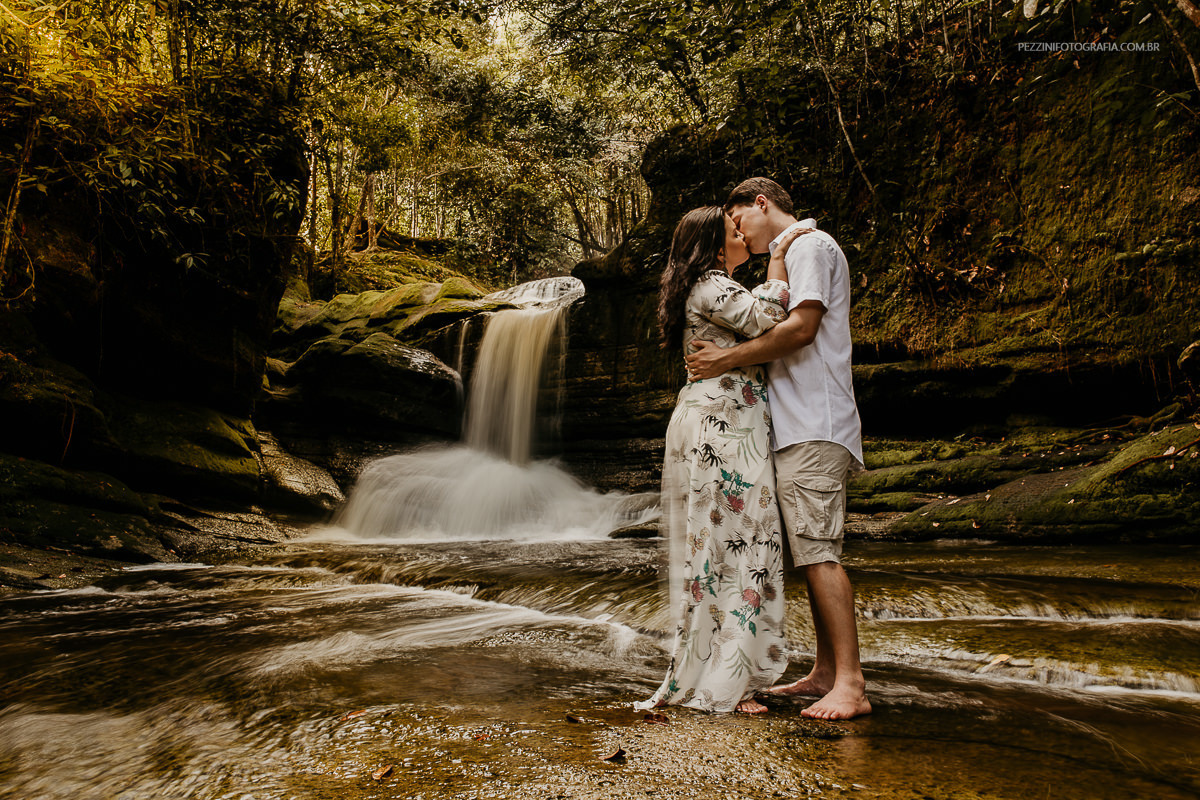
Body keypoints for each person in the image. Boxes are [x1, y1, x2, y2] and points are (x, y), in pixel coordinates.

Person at [685, 178, 871, 721]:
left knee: (819, 552)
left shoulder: (809, 245)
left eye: (738, 218)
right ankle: (826, 672)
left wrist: (725, 359)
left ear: (760, 203)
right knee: (809, 553)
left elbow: (801, 329)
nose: (737, 231)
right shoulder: (795, 252)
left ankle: (852, 686)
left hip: (815, 422)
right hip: (795, 427)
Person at [637, 206, 809, 714]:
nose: (742, 233)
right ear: (713, 245)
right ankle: (729, 680)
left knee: (729, 545)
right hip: (723, 428)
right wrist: (778, 258)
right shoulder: (711, 284)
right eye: (732, 229)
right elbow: (766, 319)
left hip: (726, 424)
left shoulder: (711, 287)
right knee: (739, 544)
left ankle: (734, 671)